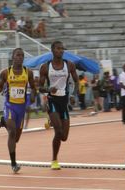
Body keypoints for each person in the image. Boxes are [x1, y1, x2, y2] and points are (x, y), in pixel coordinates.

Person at [0, 48, 36, 173]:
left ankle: (3, 121)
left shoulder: (28, 73)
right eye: (18, 55)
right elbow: (0, 86)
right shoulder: (6, 72)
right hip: (10, 105)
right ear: (13, 57)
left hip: (21, 108)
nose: (20, 57)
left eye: (22, 55)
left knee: (16, 138)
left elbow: (33, 87)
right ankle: (13, 164)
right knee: (11, 133)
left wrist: (33, 95)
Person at [39, 41, 79, 170]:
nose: (61, 51)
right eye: (58, 48)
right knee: (58, 130)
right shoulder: (45, 67)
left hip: (64, 102)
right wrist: (49, 89)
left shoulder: (70, 65)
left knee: (64, 137)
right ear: (52, 50)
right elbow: (40, 88)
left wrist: (73, 95)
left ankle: (52, 120)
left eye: (62, 49)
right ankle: (54, 160)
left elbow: (77, 82)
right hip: (52, 100)